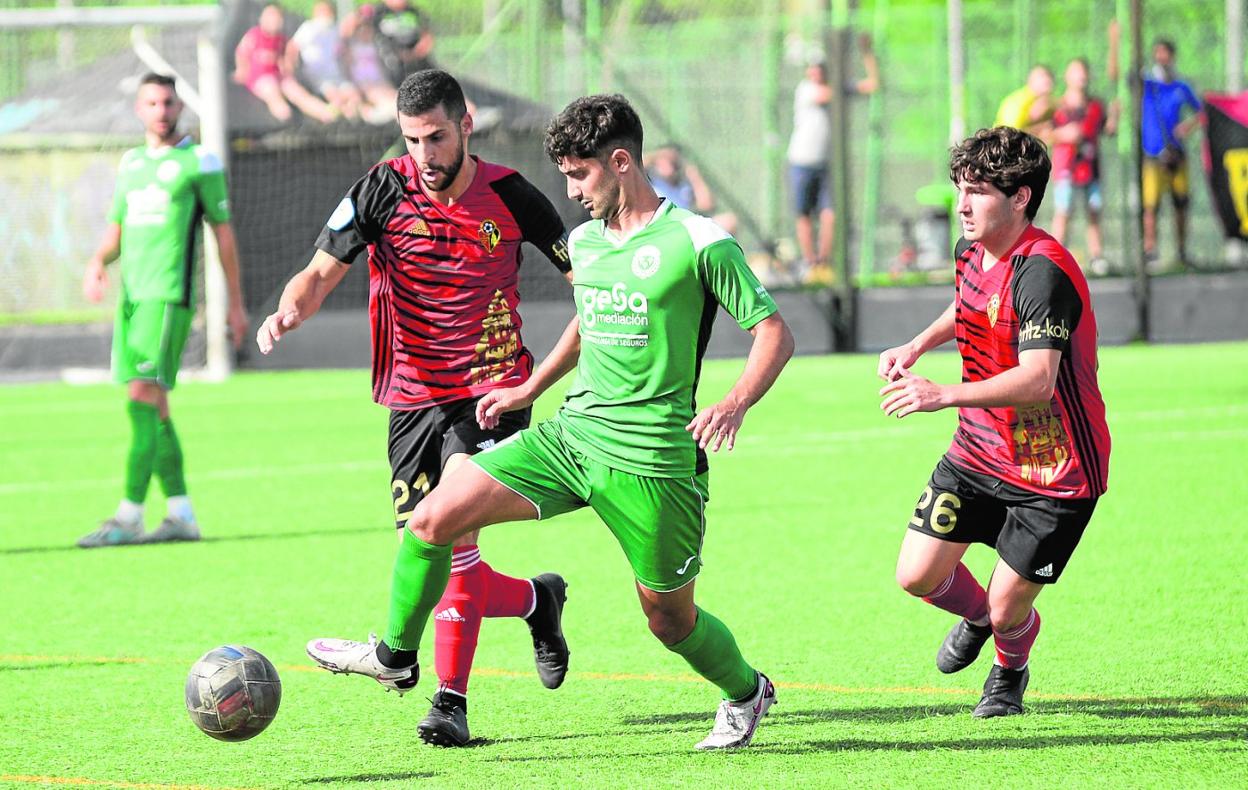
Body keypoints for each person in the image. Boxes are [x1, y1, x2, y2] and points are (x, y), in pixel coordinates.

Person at [304, 93, 795, 750]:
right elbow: (588, 321)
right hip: (571, 438)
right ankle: (395, 655)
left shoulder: (699, 242)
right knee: (433, 518)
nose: (571, 191)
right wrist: (527, 388)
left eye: (579, 174)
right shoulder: (588, 243)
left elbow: (773, 333)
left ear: (620, 161)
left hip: (653, 464)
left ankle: (745, 690)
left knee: (669, 622)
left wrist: (734, 402)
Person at [256, 69, 573, 748]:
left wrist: (551, 377)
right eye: (411, 139)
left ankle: (449, 702)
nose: (424, 154)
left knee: (453, 536)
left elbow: (587, 278)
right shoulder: (380, 188)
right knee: (427, 557)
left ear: (465, 124)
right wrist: (290, 310)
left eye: (435, 137)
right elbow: (318, 272)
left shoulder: (513, 197)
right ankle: (536, 600)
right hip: (410, 401)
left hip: (492, 394)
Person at [878, 126, 1110, 717]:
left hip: (1053, 472)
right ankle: (978, 616)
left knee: (1012, 610)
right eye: (961, 188)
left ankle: (1009, 669)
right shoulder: (971, 250)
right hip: (978, 453)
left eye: (977, 191)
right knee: (916, 575)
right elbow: (970, 306)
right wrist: (918, 344)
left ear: (1020, 198)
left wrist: (942, 394)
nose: (962, 204)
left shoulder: (1044, 272)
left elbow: (1038, 380)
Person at [78, 73, 249, 548]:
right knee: (156, 407)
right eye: (152, 102)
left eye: (168, 102)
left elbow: (224, 233)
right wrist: (96, 262)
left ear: (180, 108)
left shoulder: (199, 161)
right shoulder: (131, 164)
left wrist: (235, 304)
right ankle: (181, 514)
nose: (161, 110)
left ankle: (129, 516)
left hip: (168, 297)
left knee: (140, 398)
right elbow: (117, 228)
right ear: (139, 109)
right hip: (132, 300)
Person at [786, 34, 879, 281]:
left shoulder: (836, 86)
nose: (816, 72)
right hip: (801, 162)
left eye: (821, 68)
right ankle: (809, 263)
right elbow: (830, 94)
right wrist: (846, 84)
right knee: (803, 213)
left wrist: (866, 53)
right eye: (813, 68)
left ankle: (823, 262)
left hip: (826, 164)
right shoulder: (806, 90)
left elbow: (872, 84)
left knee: (830, 213)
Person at [1049, 25, 1120, 274]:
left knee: (1093, 211)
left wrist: (1113, 118)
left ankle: (1096, 256)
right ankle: (1055, 258)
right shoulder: (1058, 107)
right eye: (1076, 72)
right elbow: (1044, 134)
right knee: (1064, 210)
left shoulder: (1095, 106)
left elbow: (1107, 131)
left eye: (1084, 72)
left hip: (1091, 168)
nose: (1081, 76)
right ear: (1067, 76)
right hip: (1067, 167)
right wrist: (1063, 134)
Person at [1141, 38, 1202, 268]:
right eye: (1159, 54)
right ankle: (1150, 250)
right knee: (1151, 204)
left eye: (1166, 54)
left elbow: (1201, 112)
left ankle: (1182, 251)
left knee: (1181, 202)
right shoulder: (1148, 85)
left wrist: (1188, 126)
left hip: (1177, 153)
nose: (1162, 58)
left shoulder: (1180, 86)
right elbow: (1119, 76)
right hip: (1153, 154)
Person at [234, 4, 337, 124]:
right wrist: (241, 70)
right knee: (271, 91)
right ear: (262, 18)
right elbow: (241, 53)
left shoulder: (281, 39)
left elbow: (285, 58)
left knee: (296, 91)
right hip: (260, 77)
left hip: (278, 76)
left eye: (276, 17)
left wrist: (287, 66)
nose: (273, 20)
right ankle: (284, 117)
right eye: (270, 16)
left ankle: (325, 113)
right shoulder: (254, 35)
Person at [287, 1, 364, 121]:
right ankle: (337, 119)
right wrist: (291, 67)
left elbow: (345, 38)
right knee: (337, 98)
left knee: (354, 97)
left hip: (336, 75)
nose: (325, 14)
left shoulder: (334, 29)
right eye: (322, 10)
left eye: (328, 11)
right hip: (317, 75)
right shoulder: (308, 27)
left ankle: (350, 119)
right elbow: (293, 47)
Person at [646, 143, 738, 235]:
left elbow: (706, 205)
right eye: (664, 160)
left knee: (729, 221)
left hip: (685, 227)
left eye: (673, 162)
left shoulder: (684, 186)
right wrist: (659, 155)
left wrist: (694, 176)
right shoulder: (651, 181)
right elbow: (637, 162)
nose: (669, 165)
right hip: (662, 229)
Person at [357, 0, 435, 89]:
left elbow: (427, 35)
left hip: (415, 58)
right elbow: (358, 30)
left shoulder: (414, 11)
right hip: (389, 62)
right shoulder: (377, 12)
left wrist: (423, 44)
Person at [995, 65, 1055, 136]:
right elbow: (1011, 135)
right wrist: (1041, 129)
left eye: (1048, 77)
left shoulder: (1047, 102)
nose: (1047, 80)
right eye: (1042, 76)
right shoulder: (1018, 102)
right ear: (1030, 81)